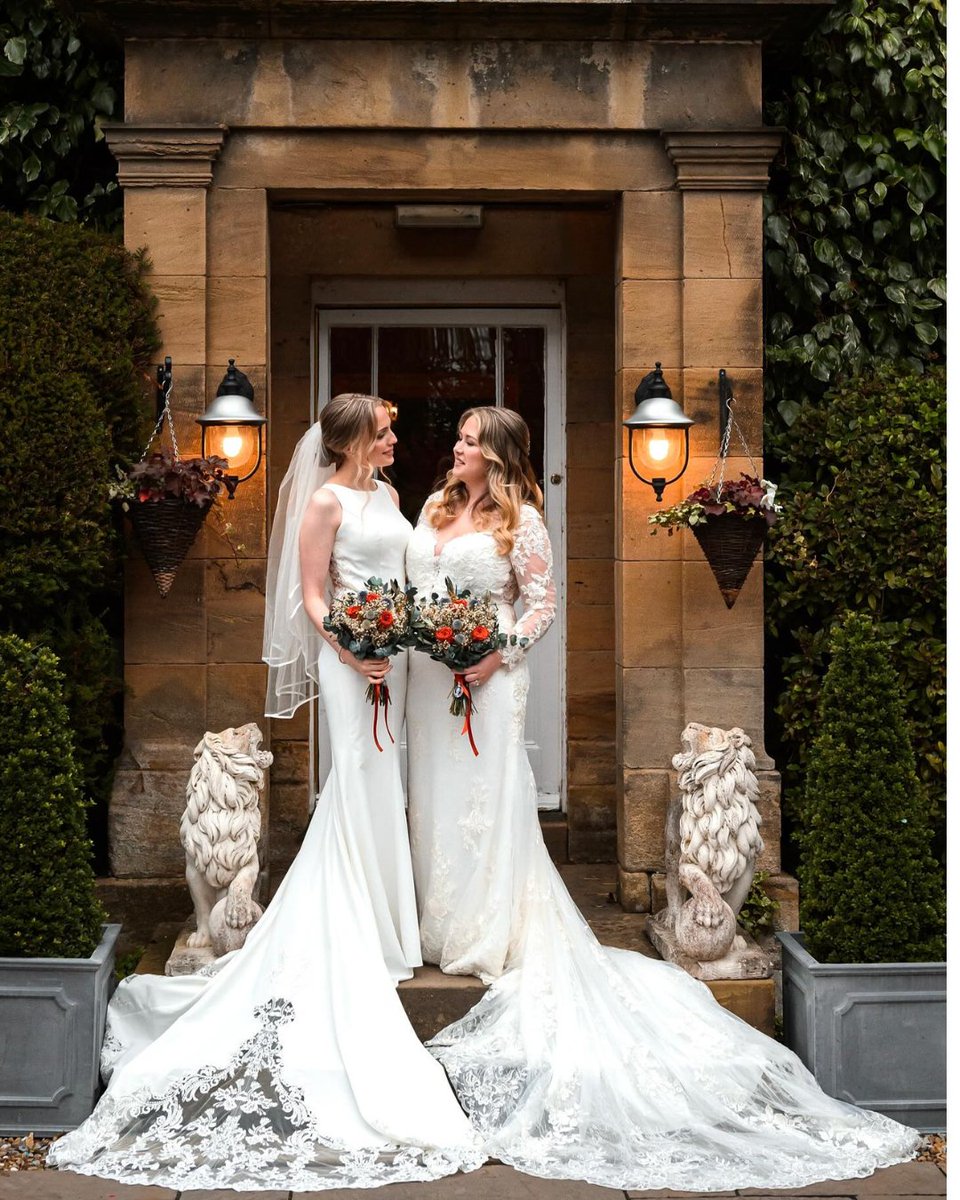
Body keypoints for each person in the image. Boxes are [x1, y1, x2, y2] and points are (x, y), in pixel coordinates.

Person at [405, 406, 919, 1192]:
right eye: (461, 437)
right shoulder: (436, 507)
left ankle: (487, 929)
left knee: (487, 806)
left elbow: (541, 609)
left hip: (491, 682)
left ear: (501, 454)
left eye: (472, 439)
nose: (457, 447)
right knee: (437, 805)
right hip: (431, 683)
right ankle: (436, 921)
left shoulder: (526, 523)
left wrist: (493, 655)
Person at [48, 394, 481, 1191]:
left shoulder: (385, 497)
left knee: (388, 787)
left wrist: (409, 633)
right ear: (353, 440)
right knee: (356, 779)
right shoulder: (325, 499)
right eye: (383, 432)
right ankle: (361, 928)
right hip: (351, 662)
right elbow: (312, 595)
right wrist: (353, 650)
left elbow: (401, 576)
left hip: (395, 653)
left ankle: (393, 928)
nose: (395, 440)